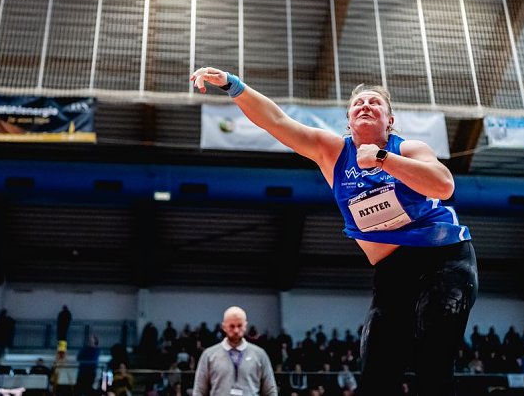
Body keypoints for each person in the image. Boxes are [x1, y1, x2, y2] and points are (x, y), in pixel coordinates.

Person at [190, 68, 478, 396]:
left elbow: (443, 185)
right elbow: (277, 122)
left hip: (444, 260)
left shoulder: (409, 149)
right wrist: (232, 84)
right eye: (358, 103)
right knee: (376, 376)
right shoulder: (333, 152)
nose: (365, 105)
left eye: (375, 103)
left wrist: (384, 159)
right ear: (349, 121)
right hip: (392, 273)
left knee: (433, 363)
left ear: (390, 121)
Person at [192, 306, 276, 396]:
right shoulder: (209, 355)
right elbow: (199, 391)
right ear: (224, 327)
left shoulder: (260, 355)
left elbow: (270, 391)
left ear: (245, 326)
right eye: (231, 326)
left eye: (239, 326)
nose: (236, 330)